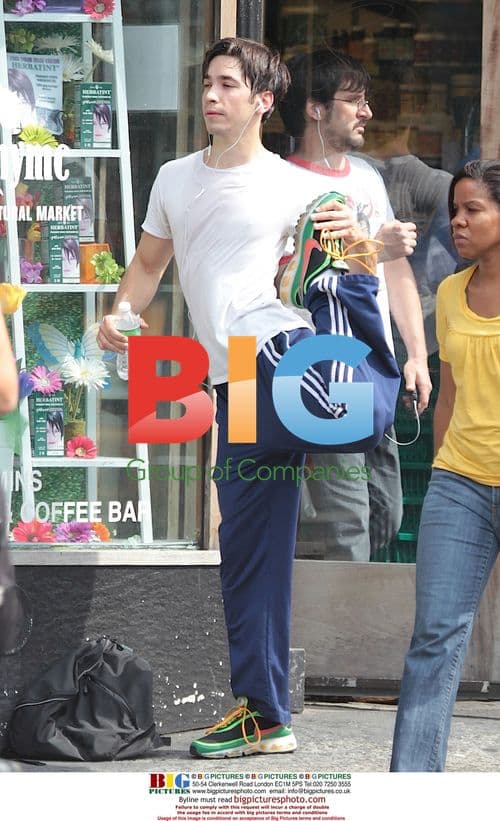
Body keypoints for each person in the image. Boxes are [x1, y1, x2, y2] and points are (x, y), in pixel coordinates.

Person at [97, 36, 400, 759]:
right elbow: (147, 264)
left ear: (264, 101)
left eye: (229, 85)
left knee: (247, 536)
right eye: (207, 83)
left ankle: (262, 711)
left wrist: (363, 238)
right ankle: (264, 712)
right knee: (251, 540)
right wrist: (119, 315)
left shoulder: (301, 188)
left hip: (281, 360)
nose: (211, 96)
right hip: (230, 374)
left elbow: (356, 267)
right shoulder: (174, 178)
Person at [278, 50, 432, 561]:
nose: (367, 111)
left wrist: (413, 353)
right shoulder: (275, 183)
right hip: (315, 373)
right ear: (314, 109)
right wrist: (370, 246)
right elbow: (289, 280)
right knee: (345, 530)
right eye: (354, 101)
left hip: (370, 367)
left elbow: (394, 269)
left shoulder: (366, 177)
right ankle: (324, 636)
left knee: (383, 511)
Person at [391, 159, 500, 771]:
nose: (456, 221)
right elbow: (449, 394)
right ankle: (411, 792)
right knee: (433, 639)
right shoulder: (452, 293)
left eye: (473, 210)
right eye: (454, 210)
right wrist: (440, 476)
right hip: (460, 484)